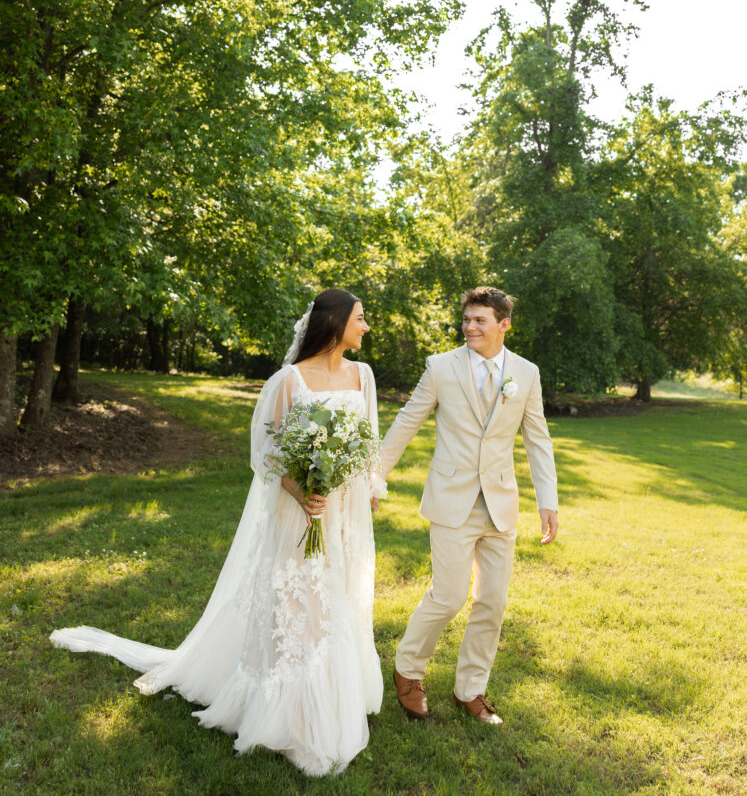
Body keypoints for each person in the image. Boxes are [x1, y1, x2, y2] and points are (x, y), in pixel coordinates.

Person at [50, 289, 385, 776]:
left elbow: (368, 440)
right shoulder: (287, 381)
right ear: (334, 323)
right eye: (360, 318)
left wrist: (367, 485)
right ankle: (290, 713)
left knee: (338, 596)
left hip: (345, 513)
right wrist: (302, 492)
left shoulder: (364, 376)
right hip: (299, 510)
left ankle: (335, 691)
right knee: (299, 603)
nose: (366, 326)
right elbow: (266, 454)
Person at [381, 286, 558, 725]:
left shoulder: (526, 372)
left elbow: (537, 438)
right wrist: (374, 473)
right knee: (449, 595)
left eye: (480, 320)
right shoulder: (441, 367)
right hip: (451, 500)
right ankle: (408, 671)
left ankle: (470, 691)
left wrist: (547, 500)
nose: (470, 327)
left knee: (492, 603)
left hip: (500, 503)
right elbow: (408, 421)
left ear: (503, 324)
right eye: (466, 320)